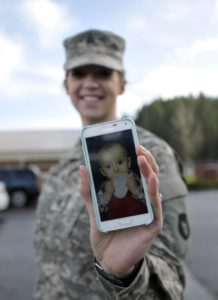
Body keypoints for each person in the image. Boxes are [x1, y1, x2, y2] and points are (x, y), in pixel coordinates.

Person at [34, 29, 190, 299]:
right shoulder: (66, 162)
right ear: (66, 85)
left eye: (103, 73)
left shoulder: (149, 155)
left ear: (121, 84)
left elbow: (170, 284)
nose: (90, 83)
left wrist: (125, 274)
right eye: (79, 73)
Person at [96, 142, 148, 220]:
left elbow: (151, 203)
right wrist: (106, 197)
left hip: (140, 220)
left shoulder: (137, 180)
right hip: (115, 226)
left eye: (120, 162)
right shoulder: (105, 187)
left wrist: (137, 192)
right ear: (103, 172)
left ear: (129, 162)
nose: (116, 169)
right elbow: (98, 212)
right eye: (108, 166)